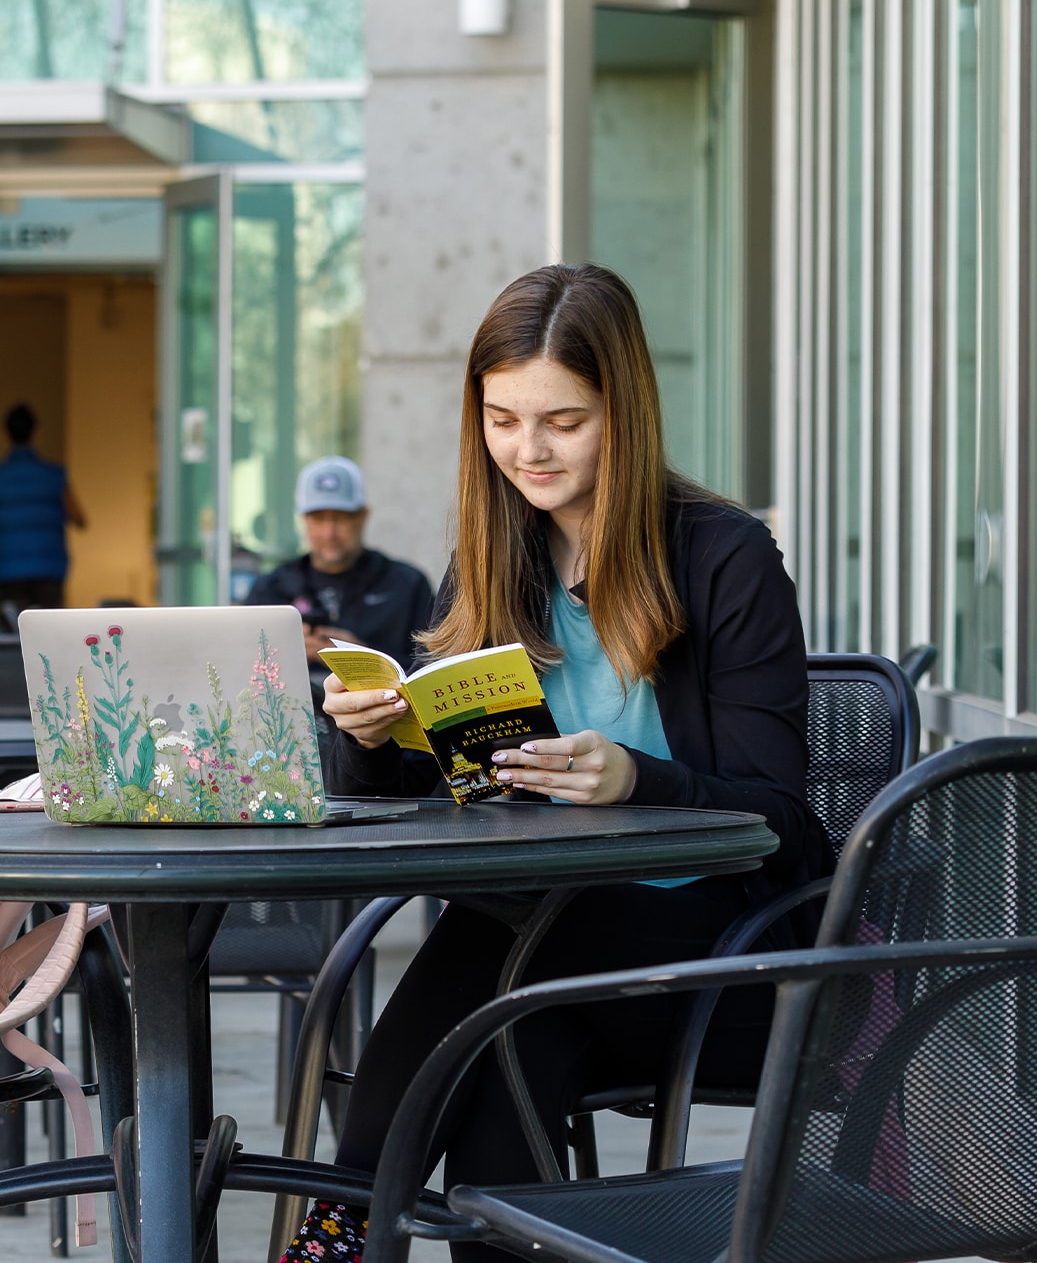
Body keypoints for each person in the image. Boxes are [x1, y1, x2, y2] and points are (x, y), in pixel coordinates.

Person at [281, 265, 830, 1263]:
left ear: (623, 410)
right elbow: (442, 788)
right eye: (500, 420)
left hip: (723, 960)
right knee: (505, 1043)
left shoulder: (722, 557)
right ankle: (343, 1231)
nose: (526, 452)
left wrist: (637, 779)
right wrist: (364, 739)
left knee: (504, 950)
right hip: (541, 960)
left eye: (561, 422)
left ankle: (335, 1227)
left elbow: (781, 824)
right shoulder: (499, 556)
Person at [245, 455, 435, 677]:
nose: (330, 533)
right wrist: (286, 656)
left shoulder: (407, 586)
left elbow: (433, 672)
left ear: (363, 516)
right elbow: (237, 669)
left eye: (341, 518)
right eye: (318, 518)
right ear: (303, 520)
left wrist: (363, 659)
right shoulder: (269, 590)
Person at [0, 403, 85, 618]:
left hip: (6, 568)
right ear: (35, 430)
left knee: (10, 637)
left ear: (4, 432)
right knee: (49, 636)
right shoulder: (54, 475)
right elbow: (79, 519)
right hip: (48, 567)